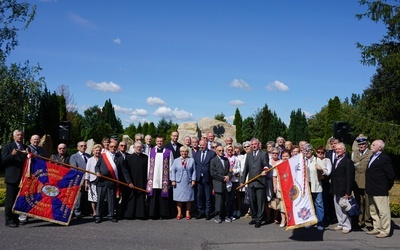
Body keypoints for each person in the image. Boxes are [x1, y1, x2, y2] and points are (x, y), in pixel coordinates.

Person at [365, 140, 395, 238]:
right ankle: (376, 228)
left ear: (380, 148)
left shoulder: (384, 158)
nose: (371, 146)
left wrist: (387, 187)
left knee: (383, 211)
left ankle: (385, 230)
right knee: (373, 210)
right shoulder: (372, 157)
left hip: (380, 189)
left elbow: (391, 175)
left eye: (374, 145)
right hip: (371, 188)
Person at [241, 138, 269, 228]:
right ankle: (254, 217)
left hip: (260, 182)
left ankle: (259, 219)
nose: (253, 146)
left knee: (260, 202)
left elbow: (266, 165)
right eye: (252, 144)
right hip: (251, 182)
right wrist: (242, 181)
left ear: (258, 144)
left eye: (255, 144)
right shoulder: (248, 155)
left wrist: (265, 170)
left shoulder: (263, 154)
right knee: (252, 201)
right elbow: (246, 169)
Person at [1, 129, 26, 228]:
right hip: (12, 178)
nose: (20, 137)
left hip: (22, 178)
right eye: (18, 135)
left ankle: (15, 218)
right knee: (10, 200)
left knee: (17, 200)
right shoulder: (8, 147)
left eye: (21, 135)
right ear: (14, 137)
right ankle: (9, 220)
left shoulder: (25, 147)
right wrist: (11, 155)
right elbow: (3, 161)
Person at [20, 134, 45, 224]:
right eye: (34, 139)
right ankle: (23, 214)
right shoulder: (27, 148)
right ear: (30, 140)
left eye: (38, 139)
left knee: (37, 194)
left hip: (39, 176)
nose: (36, 141)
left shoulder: (42, 149)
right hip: (29, 175)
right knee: (26, 194)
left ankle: (36, 213)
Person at [94, 141, 122, 223]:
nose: (113, 148)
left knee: (111, 200)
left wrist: (129, 181)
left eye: (115, 147)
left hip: (111, 181)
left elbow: (123, 170)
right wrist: (97, 172)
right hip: (101, 181)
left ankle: (111, 215)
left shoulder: (119, 157)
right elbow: (97, 166)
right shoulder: (103, 155)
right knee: (100, 200)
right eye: (111, 147)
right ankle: (98, 216)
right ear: (108, 147)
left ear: (117, 148)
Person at [147, 136, 174, 219]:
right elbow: (149, 164)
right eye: (158, 141)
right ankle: (153, 214)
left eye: (161, 141)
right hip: (153, 178)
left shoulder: (168, 152)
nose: (159, 142)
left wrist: (170, 178)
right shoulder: (151, 151)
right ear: (155, 142)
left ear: (164, 142)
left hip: (164, 178)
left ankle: (163, 214)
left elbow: (171, 165)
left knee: (163, 197)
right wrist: (148, 177)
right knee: (154, 196)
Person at [330, 142, 355, 234]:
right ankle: (340, 223)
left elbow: (350, 177)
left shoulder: (348, 161)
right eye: (336, 149)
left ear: (344, 150)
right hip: (335, 187)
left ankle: (347, 226)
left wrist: (348, 191)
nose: (337, 151)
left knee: (344, 207)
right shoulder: (336, 160)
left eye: (339, 149)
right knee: (337, 207)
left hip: (343, 188)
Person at [121, 141, 148, 219]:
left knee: (141, 198)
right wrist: (129, 181)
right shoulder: (128, 158)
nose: (139, 148)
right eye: (137, 147)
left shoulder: (145, 157)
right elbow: (125, 171)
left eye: (140, 147)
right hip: (132, 182)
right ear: (134, 148)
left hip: (142, 181)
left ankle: (140, 214)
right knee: (131, 198)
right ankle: (130, 214)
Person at [351, 135, 373, 229]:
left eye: (363, 144)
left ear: (366, 144)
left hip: (367, 181)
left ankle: (368, 222)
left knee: (368, 202)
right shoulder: (354, 153)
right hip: (356, 181)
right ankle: (359, 221)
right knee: (358, 201)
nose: (361, 146)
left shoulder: (371, 153)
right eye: (359, 144)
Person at [304, 144, 328, 231]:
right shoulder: (302, 160)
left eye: (308, 150)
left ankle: (320, 222)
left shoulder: (317, 160)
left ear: (312, 151)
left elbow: (326, 172)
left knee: (319, 204)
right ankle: (310, 221)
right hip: (306, 186)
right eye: (305, 150)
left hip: (316, 185)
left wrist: (320, 169)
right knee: (309, 204)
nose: (306, 152)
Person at [171, 145, 196, 220]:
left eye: (185, 151)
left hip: (188, 181)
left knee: (188, 198)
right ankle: (179, 212)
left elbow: (194, 171)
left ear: (187, 152)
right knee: (179, 198)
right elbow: (173, 171)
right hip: (179, 182)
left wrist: (193, 180)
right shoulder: (176, 160)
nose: (184, 153)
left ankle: (188, 212)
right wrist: (173, 180)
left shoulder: (191, 160)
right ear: (180, 152)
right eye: (182, 151)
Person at [194, 139, 216, 220]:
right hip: (199, 178)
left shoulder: (212, 153)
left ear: (206, 145)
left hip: (208, 178)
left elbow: (213, 166)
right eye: (200, 145)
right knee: (199, 196)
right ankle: (201, 212)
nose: (202, 146)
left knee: (208, 197)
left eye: (203, 145)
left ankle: (208, 213)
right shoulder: (197, 154)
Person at [70, 141, 91, 219]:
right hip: (79, 179)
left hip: (88, 179)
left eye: (85, 146)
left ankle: (86, 211)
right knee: (79, 197)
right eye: (81, 146)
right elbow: (74, 169)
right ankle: (77, 212)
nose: (83, 147)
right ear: (78, 147)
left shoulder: (89, 156)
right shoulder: (74, 157)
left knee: (86, 196)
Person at [210, 146, 231, 223]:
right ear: (216, 151)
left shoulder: (226, 160)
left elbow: (229, 170)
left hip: (226, 184)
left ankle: (225, 215)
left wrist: (228, 176)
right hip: (218, 183)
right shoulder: (213, 160)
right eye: (219, 150)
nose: (221, 152)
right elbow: (213, 173)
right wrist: (223, 178)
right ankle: (217, 216)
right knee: (219, 201)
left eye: (222, 150)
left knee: (226, 201)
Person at [85, 144, 102, 218]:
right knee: (93, 198)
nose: (98, 152)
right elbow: (87, 171)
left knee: (100, 197)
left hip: (101, 181)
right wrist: (86, 180)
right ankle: (94, 212)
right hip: (92, 180)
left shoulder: (103, 159)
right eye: (96, 150)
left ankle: (100, 211)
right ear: (93, 151)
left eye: (99, 150)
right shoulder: (90, 160)